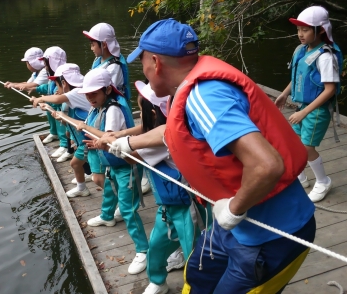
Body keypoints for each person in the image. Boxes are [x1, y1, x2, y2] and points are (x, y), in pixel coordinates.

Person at [109, 18, 316, 293]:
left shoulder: (205, 97)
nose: (143, 69)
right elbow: (175, 132)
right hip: (233, 226)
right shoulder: (191, 90)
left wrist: (233, 209)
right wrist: (129, 143)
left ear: (156, 62)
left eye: (143, 62)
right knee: (197, 279)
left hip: (272, 233)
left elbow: (267, 166)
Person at [97, 81, 209, 294]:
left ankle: (198, 287)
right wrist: (118, 136)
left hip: (186, 209)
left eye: (140, 111)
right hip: (167, 208)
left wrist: (109, 143)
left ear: (152, 113)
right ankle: (158, 281)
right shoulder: (163, 128)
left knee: (196, 255)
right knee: (156, 249)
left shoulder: (162, 141)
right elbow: (142, 131)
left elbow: (132, 158)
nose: (139, 117)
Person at [66, 68, 150, 275]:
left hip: (126, 166)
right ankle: (107, 216)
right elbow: (92, 131)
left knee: (128, 209)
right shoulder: (97, 107)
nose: (89, 97)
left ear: (106, 90)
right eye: (87, 94)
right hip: (111, 163)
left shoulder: (113, 109)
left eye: (94, 93)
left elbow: (108, 136)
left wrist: (92, 135)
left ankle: (143, 250)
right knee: (109, 192)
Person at [275, 6, 343, 202]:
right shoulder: (303, 51)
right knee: (295, 143)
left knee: (307, 147)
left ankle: (323, 181)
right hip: (301, 106)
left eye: (305, 30)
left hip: (316, 110)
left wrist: (304, 113)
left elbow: (329, 90)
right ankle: (300, 176)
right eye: (298, 30)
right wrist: (284, 94)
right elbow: (299, 76)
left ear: (320, 30)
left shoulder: (325, 56)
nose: (300, 34)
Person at [30, 63, 93, 197]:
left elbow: (58, 99)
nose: (56, 89)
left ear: (64, 83)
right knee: (81, 164)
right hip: (81, 139)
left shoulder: (76, 92)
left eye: (57, 85)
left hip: (88, 139)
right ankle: (84, 184)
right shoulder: (74, 94)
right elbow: (64, 119)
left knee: (76, 164)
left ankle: (84, 187)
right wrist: (50, 109)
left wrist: (40, 98)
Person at [35, 47, 71, 158]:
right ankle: (60, 140)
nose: (45, 67)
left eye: (47, 63)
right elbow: (49, 88)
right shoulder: (51, 76)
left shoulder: (63, 75)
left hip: (62, 109)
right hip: (54, 107)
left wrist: (42, 99)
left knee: (62, 123)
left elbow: (57, 96)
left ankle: (65, 145)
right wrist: (38, 90)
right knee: (56, 119)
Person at [82, 23, 131, 100]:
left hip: (111, 105)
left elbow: (106, 93)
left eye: (93, 45)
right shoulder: (98, 59)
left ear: (104, 45)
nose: (91, 48)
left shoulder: (114, 67)